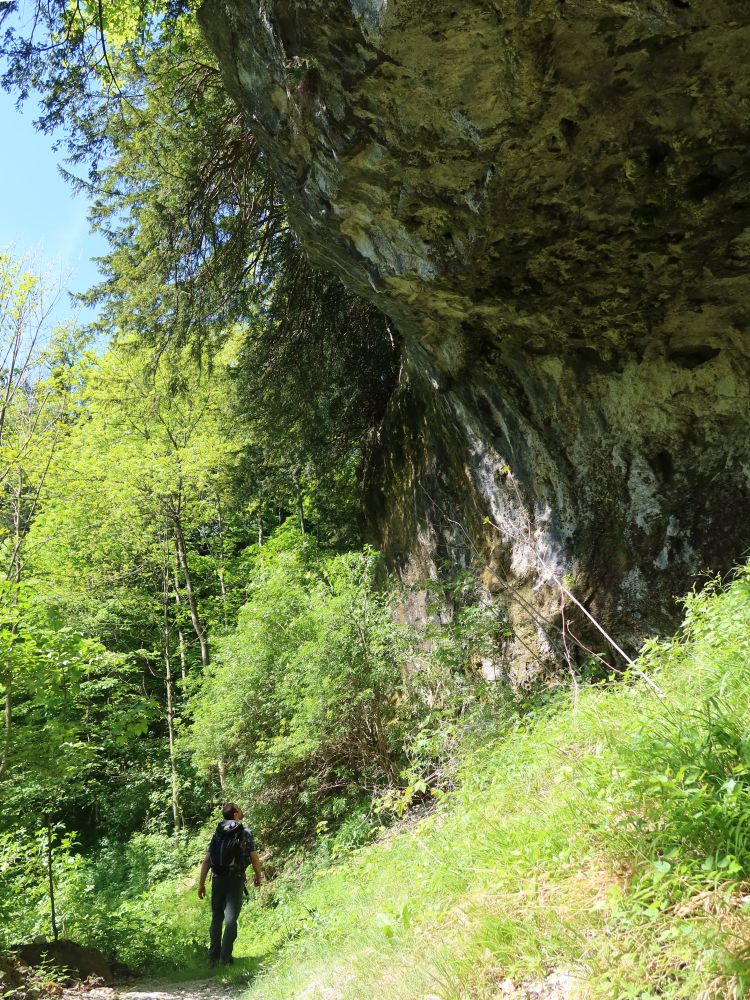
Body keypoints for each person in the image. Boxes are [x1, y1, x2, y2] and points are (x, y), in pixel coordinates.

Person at [198, 803, 262, 966]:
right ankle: (225, 959)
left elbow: (207, 860)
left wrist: (201, 884)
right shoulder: (245, 833)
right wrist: (258, 875)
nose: (242, 811)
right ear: (235, 814)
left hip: (218, 879)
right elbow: (254, 857)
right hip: (235, 879)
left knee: (216, 918)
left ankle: (213, 958)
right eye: (239, 809)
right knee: (231, 919)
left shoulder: (218, 833)